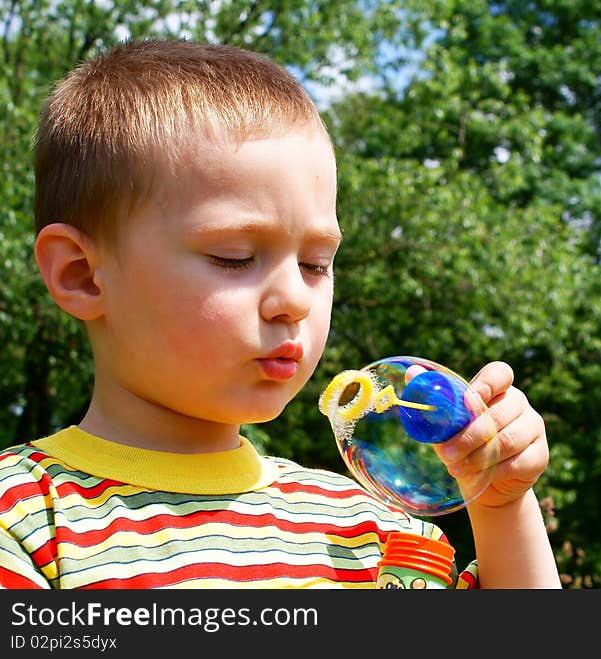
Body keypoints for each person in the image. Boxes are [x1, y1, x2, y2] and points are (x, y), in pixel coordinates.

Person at [0, 38, 560, 589]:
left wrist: (501, 504)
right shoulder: (23, 519)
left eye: (317, 264)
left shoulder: (373, 536)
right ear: (81, 274)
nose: (295, 299)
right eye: (235, 257)